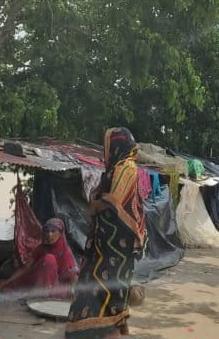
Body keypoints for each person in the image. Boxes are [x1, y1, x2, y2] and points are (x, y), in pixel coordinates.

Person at [66, 127, 146, 339]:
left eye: (108, 146)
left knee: (103, 288)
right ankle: (116, 327)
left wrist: (95, 206)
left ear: (116, 146)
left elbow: (116, 199)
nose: (105, 151)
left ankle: (109, 331)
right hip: (107, 242)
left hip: (117, 244)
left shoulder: (127, 166)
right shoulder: (115, 168)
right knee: (107, 286)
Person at [0, 218, 78, 299]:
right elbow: (25, 268)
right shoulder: (41, 248)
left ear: (60, 233)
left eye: (53, 231)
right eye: (47, 231)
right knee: (11, 287)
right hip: (38, 284)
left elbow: (73, 277)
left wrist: (74, 296)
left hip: (56, 288)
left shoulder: (65, 252)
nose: (49, 234)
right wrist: (7, 282)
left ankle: (47, 295)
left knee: (49, 259)